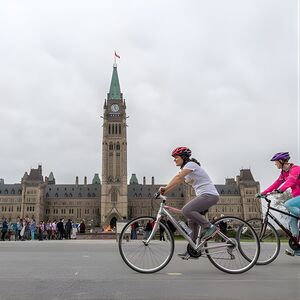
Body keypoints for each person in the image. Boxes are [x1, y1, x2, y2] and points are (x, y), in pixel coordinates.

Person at [159, 147, 219, 259]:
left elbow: (178, 177)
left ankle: (209, 227)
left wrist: (165, 188)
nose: (174, 160)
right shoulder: (187, 170)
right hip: (204, 196)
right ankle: (193, 248)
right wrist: (165, 190)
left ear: (183, 157)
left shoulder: (191, 165)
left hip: (209, 195)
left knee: (186, 210)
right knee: (191, 220)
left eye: (176, 157)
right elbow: (178, 181)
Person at [257, 152, 300, 256]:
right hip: (297, 199)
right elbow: (276, 183)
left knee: (287, 204)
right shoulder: (283, 173)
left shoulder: (295, 169)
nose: (275, 164)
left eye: (276, 162)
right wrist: (263, 193)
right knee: (292, 221)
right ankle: (298, 248)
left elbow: (291, 181)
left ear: (282, 161)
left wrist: (281, 190)